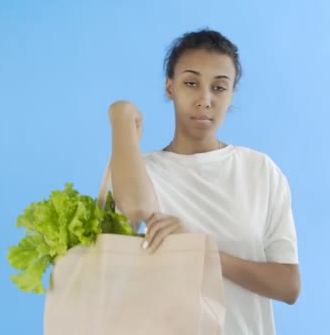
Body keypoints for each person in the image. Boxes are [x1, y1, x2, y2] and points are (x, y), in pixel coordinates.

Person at [108, 28, 300, 335]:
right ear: (170, 87)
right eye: (191, 83)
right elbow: (119, 233)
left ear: (231, 93)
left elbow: (288, 285)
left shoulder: (259, 170)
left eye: (219, 87)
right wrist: (121, 120)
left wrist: (202, 252)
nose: (205, 100)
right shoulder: (142, 172)